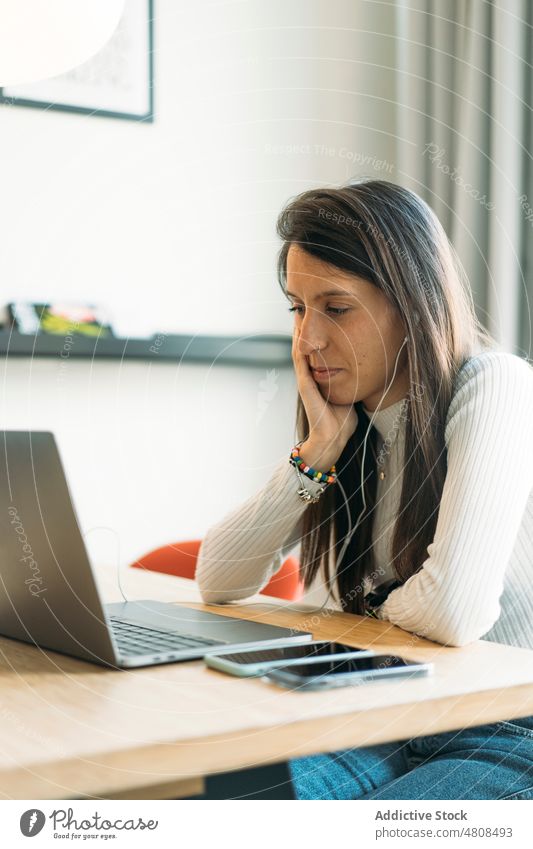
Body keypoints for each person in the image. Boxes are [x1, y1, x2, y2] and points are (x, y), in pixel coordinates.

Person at [196, 179, 533, 800]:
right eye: (297, 307)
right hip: (384, 706)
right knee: (232, 794)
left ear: (410, 302)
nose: (310, 339)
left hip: (507, 723)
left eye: (337, 307)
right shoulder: (346, 425)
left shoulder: (495, 386)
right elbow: (218, 576)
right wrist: (317, 452)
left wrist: (367, 606)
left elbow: (452, 611)